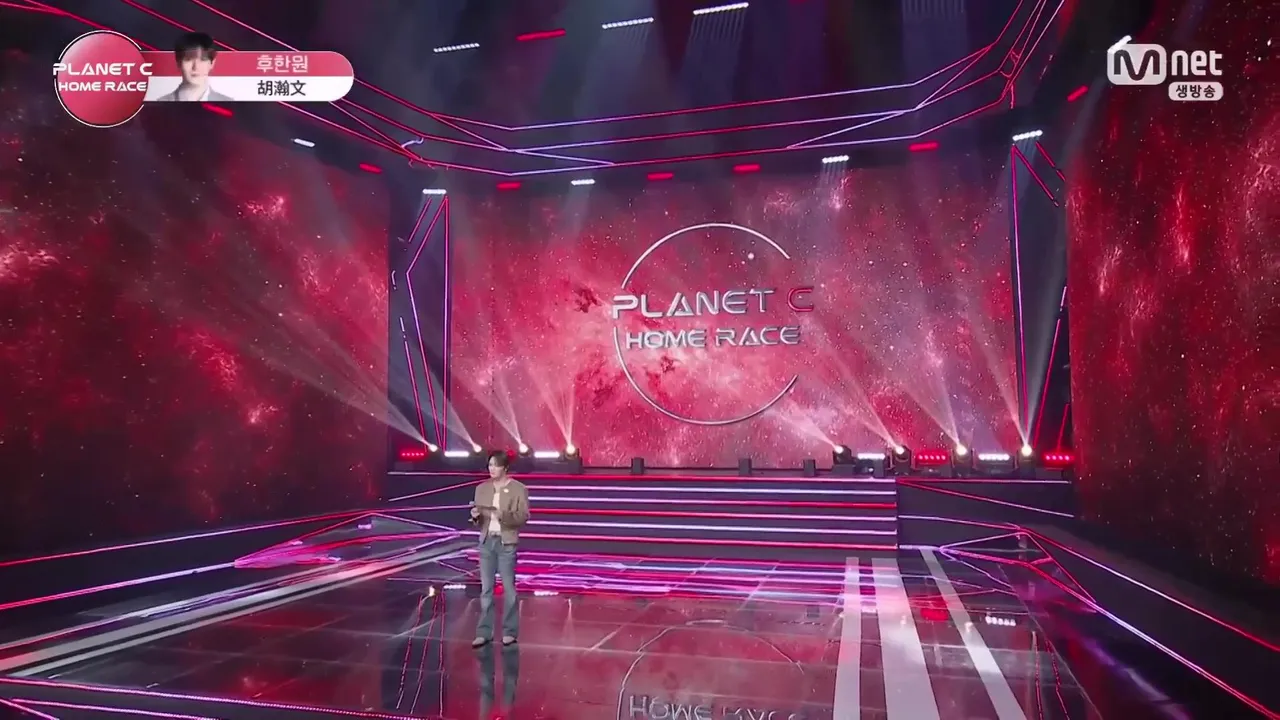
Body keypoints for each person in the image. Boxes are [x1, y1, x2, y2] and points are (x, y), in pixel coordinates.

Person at [471, 450, 529, 648]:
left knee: (509, 589)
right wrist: (476, 516)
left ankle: (509, 632)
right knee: (486, 589)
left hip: (506, 543)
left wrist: (503, 515)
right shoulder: (481, 489)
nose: (492, 469)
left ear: (505, 468)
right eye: (490, 465)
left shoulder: (518, 489)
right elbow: (479, 521)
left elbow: (523, 516)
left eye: (495, 465)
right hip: (487, 542)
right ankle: (483, 632)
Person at [156, 32, 232, 102]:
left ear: (212, 63)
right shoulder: (161, 103)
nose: (195, 67)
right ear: (178, 62)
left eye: (203, 60)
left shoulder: (228, 103)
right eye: (188, 60)